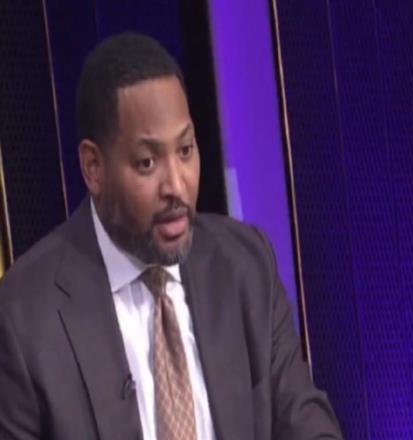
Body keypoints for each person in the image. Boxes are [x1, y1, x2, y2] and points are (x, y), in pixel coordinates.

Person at [0, 32, 343, 440]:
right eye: (147, 163)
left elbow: (306, 423)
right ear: (93, 168)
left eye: (185, 150)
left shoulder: (247, 265)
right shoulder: (25, 315)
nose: (177, 187)